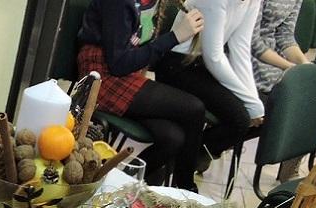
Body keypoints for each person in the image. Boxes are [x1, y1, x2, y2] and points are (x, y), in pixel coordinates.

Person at [77, 0, 206, 190]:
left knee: (173, 138)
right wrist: (175, 36)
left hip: (126, 70)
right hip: (101, 75)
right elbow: (118, 63)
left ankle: (119, 186)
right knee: (194, 108)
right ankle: (186, 191)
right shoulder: (119, 4)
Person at [155, 0, 265, 175]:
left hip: (202, 64)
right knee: (240, 120)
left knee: (262, 113)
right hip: (178, 63)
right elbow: (213, 57)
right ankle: (178, 163)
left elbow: (240, 48)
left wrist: (253, 100)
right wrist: (251, 103)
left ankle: (181, 160)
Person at [252, 0, 309, 179]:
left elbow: (285, 35)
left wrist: (304, 65)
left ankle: (290, 164)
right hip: (246, 55)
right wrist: (289, 67)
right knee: (287, 99)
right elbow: (252, 41)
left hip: (272, 58)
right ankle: (213, 148)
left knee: (313, 92)